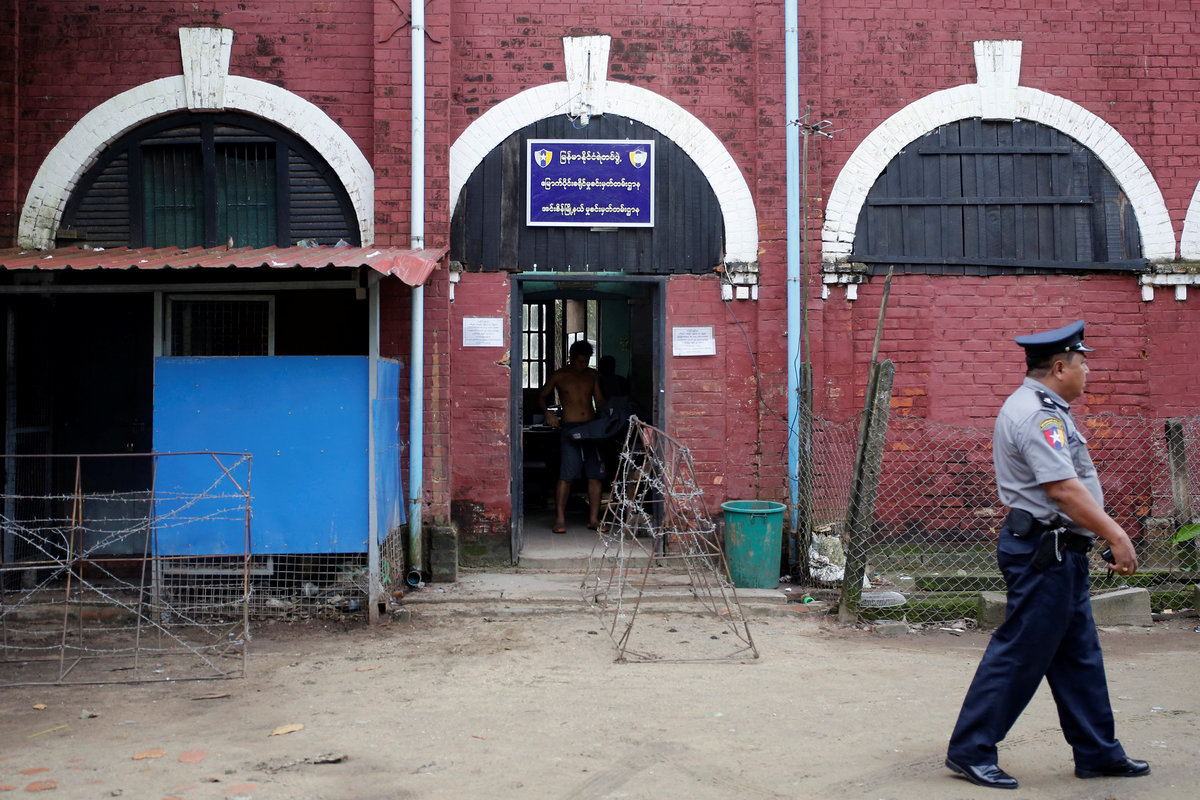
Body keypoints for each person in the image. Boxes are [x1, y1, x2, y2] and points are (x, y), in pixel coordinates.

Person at [945, 320, 1149, 790]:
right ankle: (970, 750)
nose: (1088, 371)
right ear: (1059, 368)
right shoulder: (1039, 415)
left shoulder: (1045, 408)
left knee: (1079, 656)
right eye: (1082, 363)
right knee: (1020, 652)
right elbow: (1062, 490)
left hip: (1060, 551)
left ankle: (1097, 752)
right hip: (1045, 552)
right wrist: (1116, 534)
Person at [538, 340, 607, 533]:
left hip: (591, 429)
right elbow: (541, 396)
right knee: (566, 475)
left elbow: (599, 400)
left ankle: (594, 519)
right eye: (580, 361)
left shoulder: (592, 375)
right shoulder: (559, 376)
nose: (583, 365)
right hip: (570, 428)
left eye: (586, 361)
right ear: (571, 358)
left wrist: (609, 415)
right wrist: (547, 413)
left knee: (595, 476)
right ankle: (560, 519)